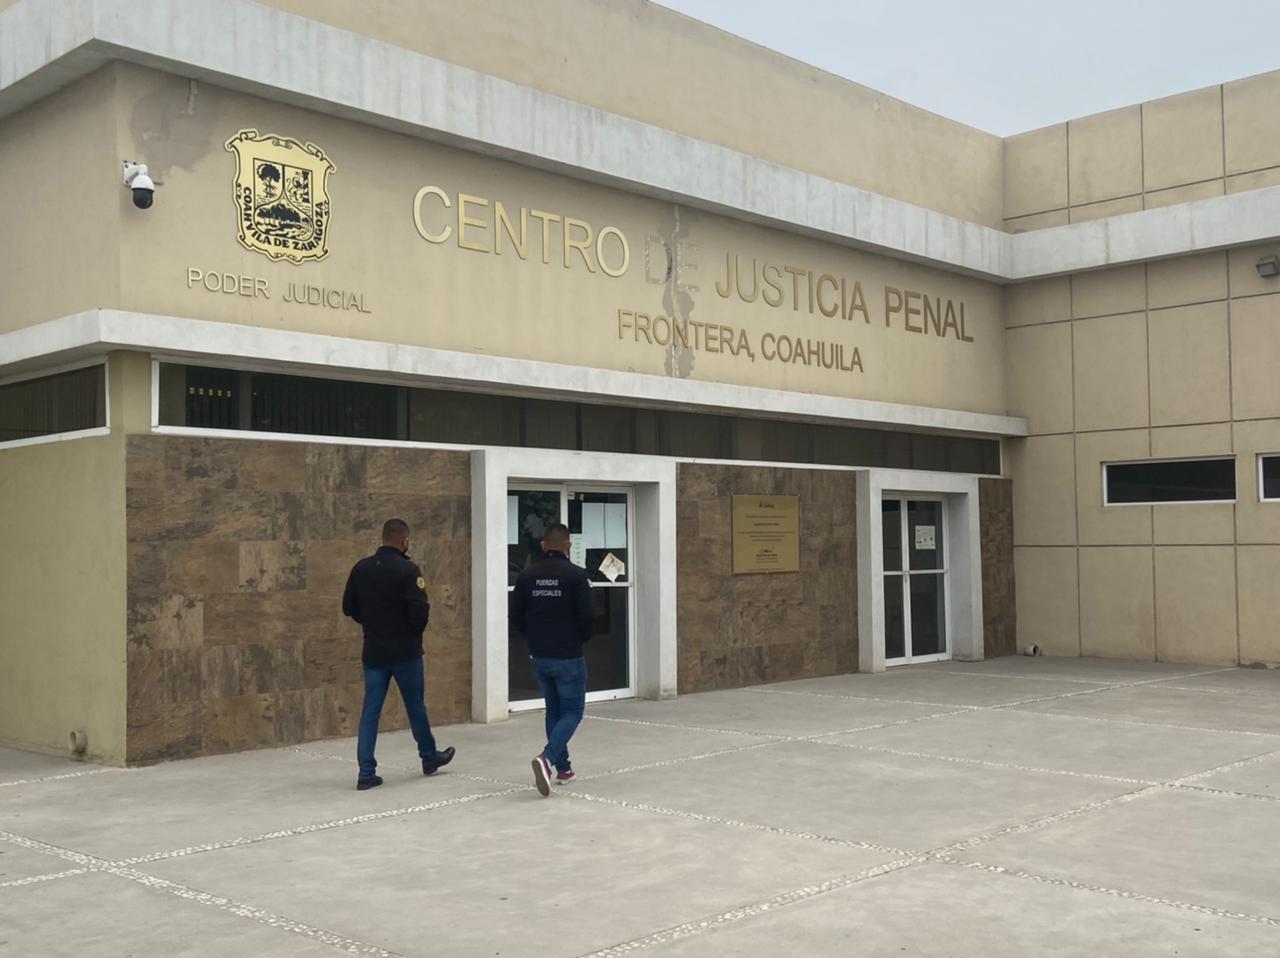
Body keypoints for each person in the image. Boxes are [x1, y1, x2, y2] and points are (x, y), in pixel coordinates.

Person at [342, 518, 455, 790]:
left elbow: (349, 607)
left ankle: (366, 773)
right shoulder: (408, 570)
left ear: (383, 539)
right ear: (404, 541)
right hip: (405, 651)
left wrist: (372, 623)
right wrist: (410, 632)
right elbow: (420, 611)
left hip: (374, 651)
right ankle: (429, 757)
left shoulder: (361, 569)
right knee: (415, 707)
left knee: (370, 712)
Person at [509, 522, 594, 796]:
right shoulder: (577, 576)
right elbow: (587, 617)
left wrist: (533, 638)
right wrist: (578, 639)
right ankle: (547, 759)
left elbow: (516, 616)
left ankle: (563, 769)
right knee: (572, 712)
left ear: (543, 545)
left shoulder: (527, 576)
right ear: (568, 547)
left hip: (540, 655)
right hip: (568, 655)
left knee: (554, 711)